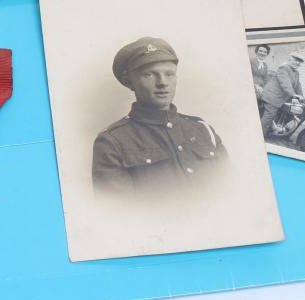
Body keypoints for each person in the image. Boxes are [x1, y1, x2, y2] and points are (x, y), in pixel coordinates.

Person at [92, 37, 226, 196]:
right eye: (149, 75)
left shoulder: (203, 130)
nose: (162, 83)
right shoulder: (112, 142)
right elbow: (118, 214)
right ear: (129, 82)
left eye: (169, 74)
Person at [260, 51, 305, 134]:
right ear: (290, 59)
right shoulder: (284, 68)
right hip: (272, 97)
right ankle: (260, 135)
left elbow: (298, 85)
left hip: (281, 98)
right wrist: (294, 96)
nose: (297, 63)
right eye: (295, 60)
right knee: (269, 116)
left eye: (299, 61)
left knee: (294, 111)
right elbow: (285, 83)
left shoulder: (296, 72)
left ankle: (279, 128)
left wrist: (302, 97)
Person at [250, 44, 271, 113]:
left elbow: (265, 79)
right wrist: (255, 85)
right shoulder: (251, 61)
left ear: (267, 54)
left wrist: (267, 89)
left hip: (261, 89)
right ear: (256, 52)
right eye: (260, 51)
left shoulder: (265, 65)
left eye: (265, 52)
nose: (262, 53)